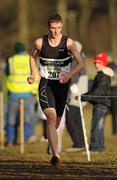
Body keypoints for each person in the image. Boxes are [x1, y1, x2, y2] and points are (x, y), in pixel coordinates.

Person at [27, 12, 84, 167]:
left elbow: (81, 63)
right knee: (51, 119)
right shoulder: (40, 43)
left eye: (58, 28)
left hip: (62, 86)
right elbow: (32, 57)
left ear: (62, 27)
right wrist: (33, 73)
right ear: (48, 28)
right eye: (53, 28)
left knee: (55, 124)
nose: (56, 31)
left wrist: (69, 75)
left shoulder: (68, 43)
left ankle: (48, 131)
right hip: (46, 85)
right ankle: (56, 155)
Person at [77, 52, 114, 153]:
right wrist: (83, 96)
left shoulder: (103, 76)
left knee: (96, 126)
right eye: (95, 63)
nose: (96, 65)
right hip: (99, 103)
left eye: (99, 63)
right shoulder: (100, 75)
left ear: (104, 64)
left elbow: (98, 92)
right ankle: (99, 146)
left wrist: (84, 97)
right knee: (99, 126)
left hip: (101, 104)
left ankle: (96, 147)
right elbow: (93, 91)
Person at [5, 42, 36, 146]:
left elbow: (6, 75)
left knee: (11, 118)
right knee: (27, 118)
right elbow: (36, 75)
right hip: (28, 93)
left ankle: (10, 140)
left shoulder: (11, 60)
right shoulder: (31, 59)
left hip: (13, 93)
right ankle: (25, 140)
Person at [65, 41, 88, 152]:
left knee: (70, 119)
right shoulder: (80, 59)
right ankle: (81, 142)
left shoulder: (75, 61)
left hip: (76, 94)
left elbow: (73, 78)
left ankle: (78, 144)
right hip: (80, 92)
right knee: (77, 119)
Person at [108, 54, 117, 135]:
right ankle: (114, 131)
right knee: (114, 114)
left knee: (104, 112)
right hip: (114, 93)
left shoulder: (108, 67)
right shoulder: (115, 66)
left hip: (111, 93)